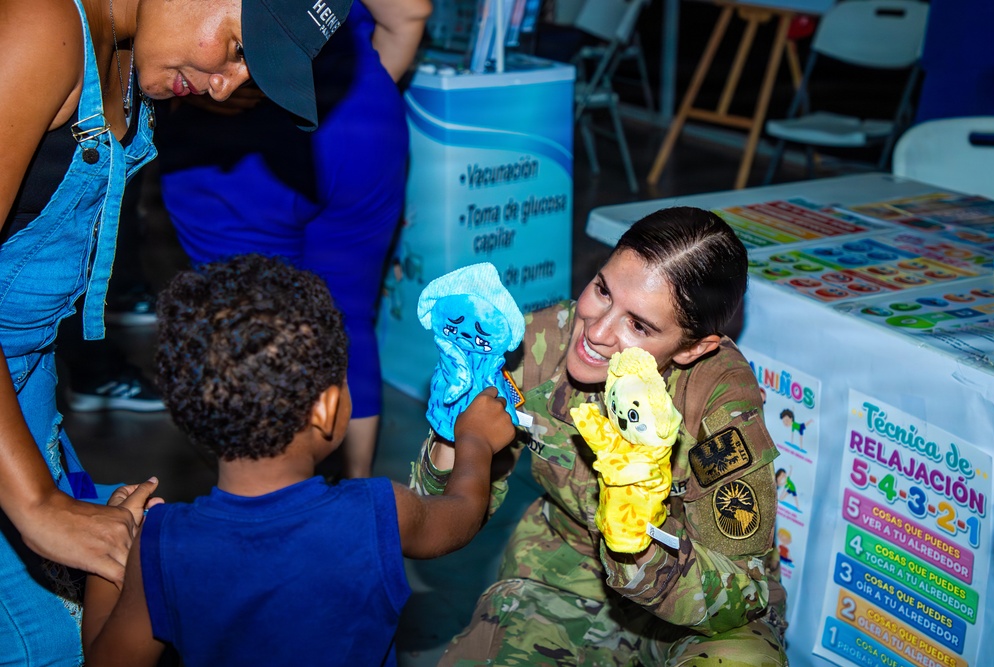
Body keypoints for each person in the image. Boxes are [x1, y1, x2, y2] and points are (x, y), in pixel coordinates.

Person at [0, 0, 350, 661]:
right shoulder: (41, 28)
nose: (227, 86)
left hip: (25, 380)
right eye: (240, 49)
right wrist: (38, 503)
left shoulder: (129, 50)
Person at [81, 254, 516, 666]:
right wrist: (474, 440)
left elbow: (107, 660)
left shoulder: (163, 544)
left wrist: (114, 545)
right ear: (326, 410)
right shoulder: (376, 512)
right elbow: (461, 515)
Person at [411, 207, 788, 665]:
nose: (596, 330)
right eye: (603, 290)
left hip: (692, 609)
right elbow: (436, 516)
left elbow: (743, 592)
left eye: (639, 325)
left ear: (694, 348)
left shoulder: (718, 403)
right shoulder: (540, 344)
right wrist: (453, 425)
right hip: (564, 575)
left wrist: (637, 542)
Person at [153, 0, 431, 479]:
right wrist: (355, 93)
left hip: (235, 138)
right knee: (348, 317)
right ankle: (356, 495)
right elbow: (409, 13)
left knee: (247, 332)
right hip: (361, 120)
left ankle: (264, 509)